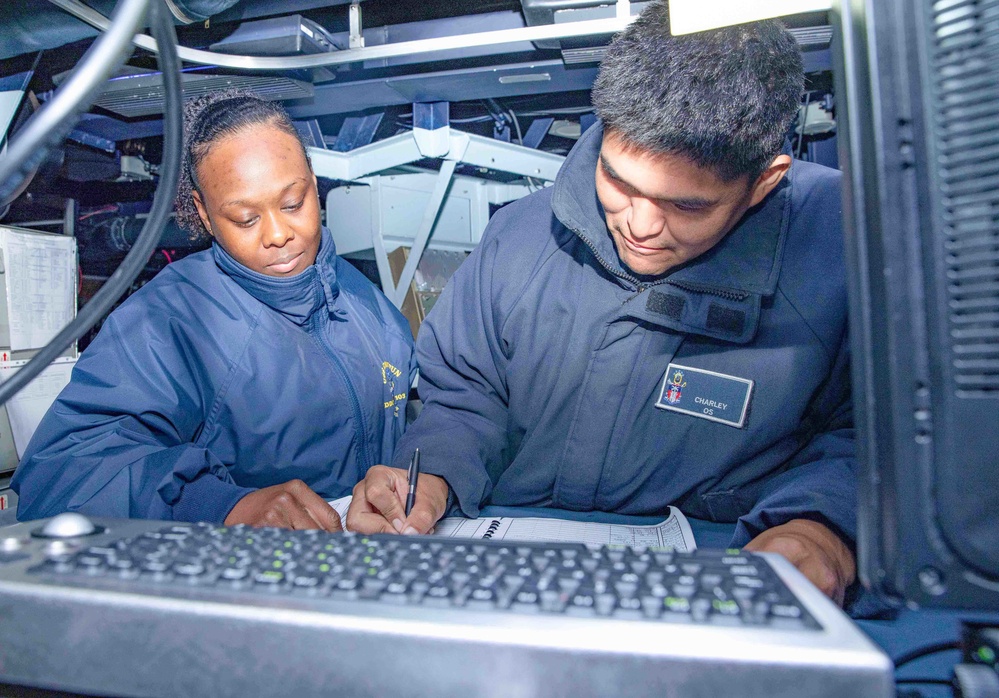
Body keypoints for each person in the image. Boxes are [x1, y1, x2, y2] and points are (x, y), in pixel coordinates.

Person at [347, 5, 858, 605]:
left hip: (724, 577)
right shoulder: (518, 237)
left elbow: (874, 437)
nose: (639, 225)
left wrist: (825, 529)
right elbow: (464, 393)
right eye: (617, 181)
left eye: (687, 207)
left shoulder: (846, 252)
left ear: (764, 182)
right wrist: (429, 476)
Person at [13, 90, 416, 531]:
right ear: (205, 215)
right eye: (245, 218)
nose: (279, 234)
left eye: (293, 203)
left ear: (314, 184)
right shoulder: (168, 321)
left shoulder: (366, 300)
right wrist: (219, 505)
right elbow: (58, 478)